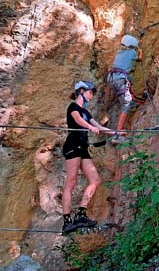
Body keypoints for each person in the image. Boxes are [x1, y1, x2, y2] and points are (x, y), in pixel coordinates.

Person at [61, 80, 121, 234]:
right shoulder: (73, 107)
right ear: (81, 91)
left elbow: (99, 127)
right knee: (71, 181)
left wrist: (116, 133)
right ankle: (67, 221)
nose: (91, 95)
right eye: (90, 92)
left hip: (83, 147)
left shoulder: (87, 112)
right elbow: (78, 121)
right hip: (73, 145)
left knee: (95, 180)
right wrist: (90, 127)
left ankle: (81, 214)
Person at [106, 34, 143, 145]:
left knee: (130, 80)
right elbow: (139, 59)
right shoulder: (132, 53)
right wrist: (140, 51)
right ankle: (117, 135)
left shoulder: (119, 52)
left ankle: (133, 99)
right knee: (126, 104)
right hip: (120, 79)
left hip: (111, 78)